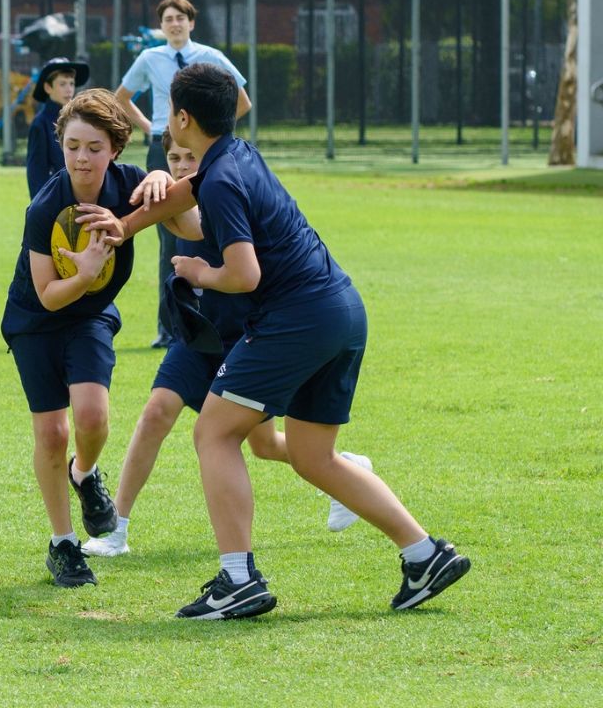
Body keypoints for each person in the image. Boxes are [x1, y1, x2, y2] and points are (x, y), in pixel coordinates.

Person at [109, 64, 469, 619]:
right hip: (343, 311)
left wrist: (197, 274)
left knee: (213, 433)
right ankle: (425, 554)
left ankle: (237, 579)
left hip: (297, 319)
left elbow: (244, 274)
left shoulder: (224, 178)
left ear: (181, 117)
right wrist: (124, 226)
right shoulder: (236, 156)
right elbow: (186, 193)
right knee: (311, 455)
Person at [84, 131, 370, 558]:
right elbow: (173, 213)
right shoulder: (185, 195)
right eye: (173, 159)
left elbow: (193, 225)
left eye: (188, 158)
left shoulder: (223, 193)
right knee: (156, 411)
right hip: (200, 333)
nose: (181, 165)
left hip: (246, 337)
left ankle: (345, 470)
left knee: (264, 444)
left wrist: (165, 194)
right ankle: (116, 529)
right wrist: (159, 177)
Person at [2, 88, 145, 589]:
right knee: (52, 433)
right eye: (72, 146)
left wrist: (169, 178)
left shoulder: (132, 186)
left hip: (89, 318)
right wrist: (85, 273)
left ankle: (84, 474)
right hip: (35, 320)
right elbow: (46, 294)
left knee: (91, 416)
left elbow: (180, 207)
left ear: (115, 149)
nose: (81, 158)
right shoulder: (44, 207)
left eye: (94, 148)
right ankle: (63, 544)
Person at [113, 0, 250, 348]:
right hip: (164, 151)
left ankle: (219, 319)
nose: (174, 24)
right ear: (161, 26)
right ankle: (170, 327)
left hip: (203, 149)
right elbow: (121, 98)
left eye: (180, 18)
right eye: (168, 19)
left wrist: (209, 131)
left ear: (192, 23)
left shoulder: (210, 58)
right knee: (169, 240)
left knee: (214, 232)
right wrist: (151, 129)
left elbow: (243, 101)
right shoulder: (150, 57)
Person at [25, 56, 90, 197]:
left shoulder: (78, 119)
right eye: (62, 84)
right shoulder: (40, 124)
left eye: (71, 84)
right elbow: (36, 172)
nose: (69, 89)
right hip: (56, 198)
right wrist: (40, 207)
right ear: (48, 87)